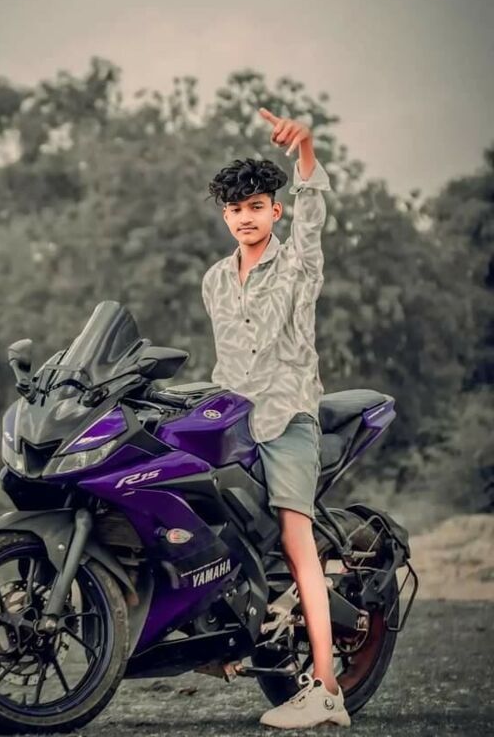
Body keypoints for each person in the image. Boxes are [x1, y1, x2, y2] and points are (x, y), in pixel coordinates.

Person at [201, 107, 350, 729]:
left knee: (295, 538)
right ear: (225, 216)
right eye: (236, 209)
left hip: (287, 417)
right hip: (230, 421)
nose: (245, 217)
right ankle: (219, 638)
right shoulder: (214, 279)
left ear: (275, 211)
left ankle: (327, 689)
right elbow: (226, 359)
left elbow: (314, 213)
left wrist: (306, 147)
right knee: (195, 514)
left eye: (257, 206)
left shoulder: (297, 264)